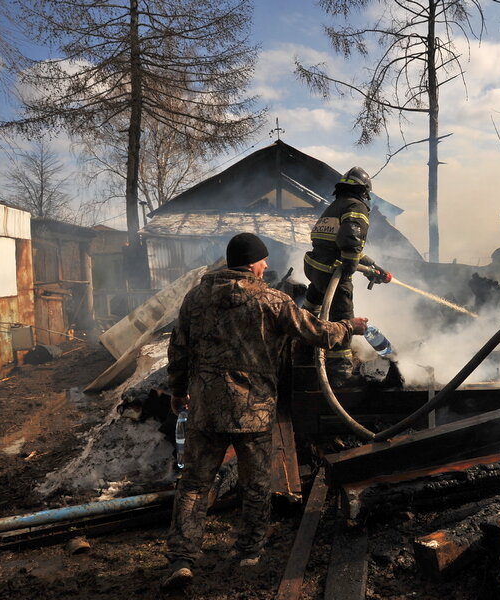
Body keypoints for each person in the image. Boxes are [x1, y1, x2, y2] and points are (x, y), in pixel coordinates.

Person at [162, 232, 368, 589]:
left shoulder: (195, 298)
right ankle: (248, 551)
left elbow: (178, 348)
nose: (267, 266)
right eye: (263, 260)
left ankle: (182, 558)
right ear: (252, 262)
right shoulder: (271, 299)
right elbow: (315, 332)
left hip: (206, 409)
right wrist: (350, 326)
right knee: (256, 484)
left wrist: (178, 391)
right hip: (253, 410)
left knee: (194, 485)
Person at [303, 166, 390, 386]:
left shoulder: (334, 206)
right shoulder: (356, 206)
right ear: (364, 191)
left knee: (311, 310)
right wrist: (350, 267)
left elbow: (338, 243)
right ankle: (339, 372)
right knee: (342, 318)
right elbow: (351, 239)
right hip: (333, 272)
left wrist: (372, 267)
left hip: (315, 268)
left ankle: (304, 348)